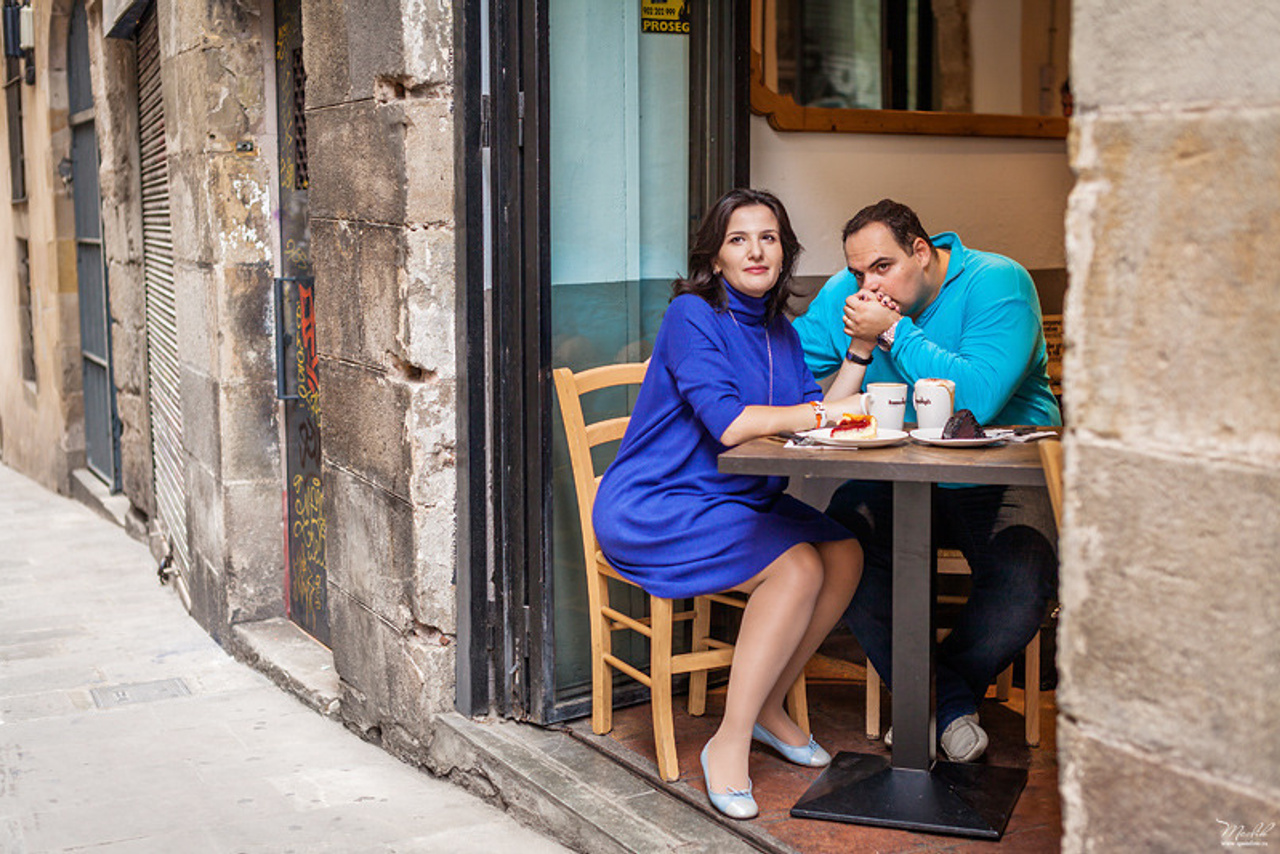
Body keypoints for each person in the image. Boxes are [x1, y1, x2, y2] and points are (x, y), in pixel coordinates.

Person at [593, 188, 867, 820]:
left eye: (768, 238)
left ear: (785, 252)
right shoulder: (692, 315)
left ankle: (769, 705)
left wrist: (857, 358)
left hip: (733, 500)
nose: (755, 250)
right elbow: (732, 423)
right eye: (738, 239)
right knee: (799, 565)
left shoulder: (781, 332)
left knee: (845, 552)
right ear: (716, 257)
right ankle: (729, 741)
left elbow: (812, 418)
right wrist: (828, 410)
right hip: (657, 504)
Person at [792, 198, 1061, 763]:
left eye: (882, 268)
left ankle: (935, 698)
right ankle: (945, 706)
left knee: (1026, 576)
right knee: (842, 541)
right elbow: (788, 361)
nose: (868, 285)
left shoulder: (997, 282)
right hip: (899, 467)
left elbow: (978, 399)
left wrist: (894, 331)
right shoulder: (850, 292)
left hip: (999, 469)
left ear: (921, 250)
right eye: (858, 272)